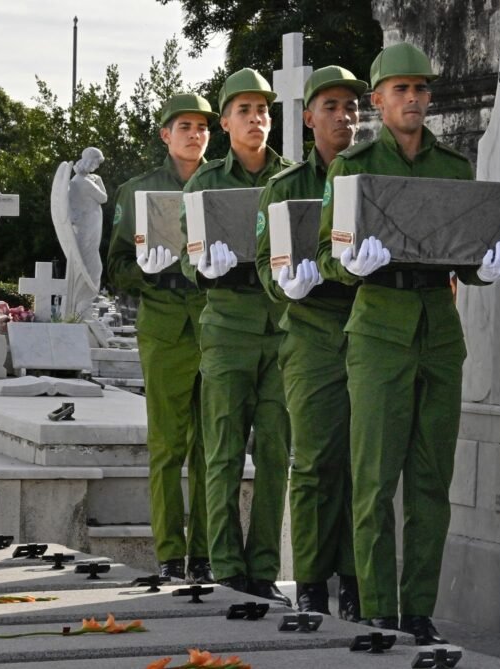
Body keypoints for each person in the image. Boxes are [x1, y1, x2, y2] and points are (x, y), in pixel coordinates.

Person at [316, 43, 500, 645]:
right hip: (378, 327)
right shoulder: (349, 168)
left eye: (421, 89)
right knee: (374, 478)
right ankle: (377, 605)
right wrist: (352, 263)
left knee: (432, 480)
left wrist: (488, 267)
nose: (412, 99)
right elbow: (328, 254)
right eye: (399, 90)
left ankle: (419, 609)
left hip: (437, 328)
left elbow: (467, 250)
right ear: (377, 100)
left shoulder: (454, 167)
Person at [254, 66, 368, 621]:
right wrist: (285, 282)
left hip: (369, 328)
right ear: (308, 117)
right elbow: (262, 261)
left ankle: (354, 580)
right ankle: (311, 580)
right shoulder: (286, 186)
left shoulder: (369, 175)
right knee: (316, 462)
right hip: (310, 332)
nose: (344, 115)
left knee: (361, 463)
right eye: (331, 106)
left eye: (351, 105)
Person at [179, 69, 294, 606]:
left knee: (276, 453)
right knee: (223, 450)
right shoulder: (205, 183)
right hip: (227, 327)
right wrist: (203, 263)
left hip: (281, 328)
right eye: (245, 110)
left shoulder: (293, 177)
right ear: (225, 122)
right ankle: (225, 565)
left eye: (263, 110)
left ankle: (265, 566)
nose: (256, 119)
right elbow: (186, 258)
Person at [105, 93, 217, 584]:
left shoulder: (225, 182)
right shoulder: (136, 191)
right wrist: (145, 273)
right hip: (166, 322)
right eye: (185, 126)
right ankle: (170, 552)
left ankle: (206, 552)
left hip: (217, 322)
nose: (196, 134)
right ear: (165, 134)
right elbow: (115, 265)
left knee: (214, 447)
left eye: (202, 127)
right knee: (168, 446)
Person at [67, 147, 107, 319]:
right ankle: (82, 308)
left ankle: (83, 308)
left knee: (93, 266)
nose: (97, 167)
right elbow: (103, 198)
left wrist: (97, 180)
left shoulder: (82, 180)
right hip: (86, 228)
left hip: (92, 225)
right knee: (93, 268)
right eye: (96, 163)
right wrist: (98, 182)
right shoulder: (81, 182)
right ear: (89, 161)